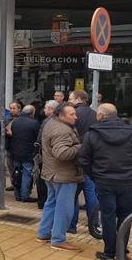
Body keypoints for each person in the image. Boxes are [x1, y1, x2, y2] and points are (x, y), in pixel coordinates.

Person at [79, 103, 132, 260]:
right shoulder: (130, 131)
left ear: (101, 116)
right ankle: (122, 250)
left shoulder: (91, 134)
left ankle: (109, 251)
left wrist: (95, 175)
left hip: (104, 181)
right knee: (125, 215)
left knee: (107, 216)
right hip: (127, 181)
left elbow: (84, 159)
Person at [37, 102, 82, 251]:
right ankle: (58, 239)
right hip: (63, 175)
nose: (76, 116)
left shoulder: (51, 123)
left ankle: (44, 233)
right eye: (72, 114)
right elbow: (62, 153)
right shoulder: (62, 130)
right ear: (61, 115)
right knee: (64, 208)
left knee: (51, 204)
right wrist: (80, 147)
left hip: (51, 173)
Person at [68, 90, 98, 233]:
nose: (69, 100)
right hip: (91, 160)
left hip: (75, 159)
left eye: (71, 98)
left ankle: (71, 226)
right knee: (91, 194)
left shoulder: (72, 113)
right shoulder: (95, 114)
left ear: (79, 99)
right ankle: (94, 226)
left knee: (73, 194)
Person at [8, 105, 40, 202]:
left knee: (17, 173)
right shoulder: (34, 123)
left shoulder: (15, 121)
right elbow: (36, 137)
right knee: (27, 173)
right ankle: (25, 195)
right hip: (28, 153)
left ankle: (17, 195)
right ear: (32, 113)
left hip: (15, 152)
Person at [34, 100, 58, 209]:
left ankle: (42, 201)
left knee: (43, 180)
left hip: (45, 156)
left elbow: (41, 139)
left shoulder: (48, 121)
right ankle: (43, 201)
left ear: (51, 109)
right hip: (46, 156)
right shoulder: (50, 121)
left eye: (45, 108)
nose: (44, 110)